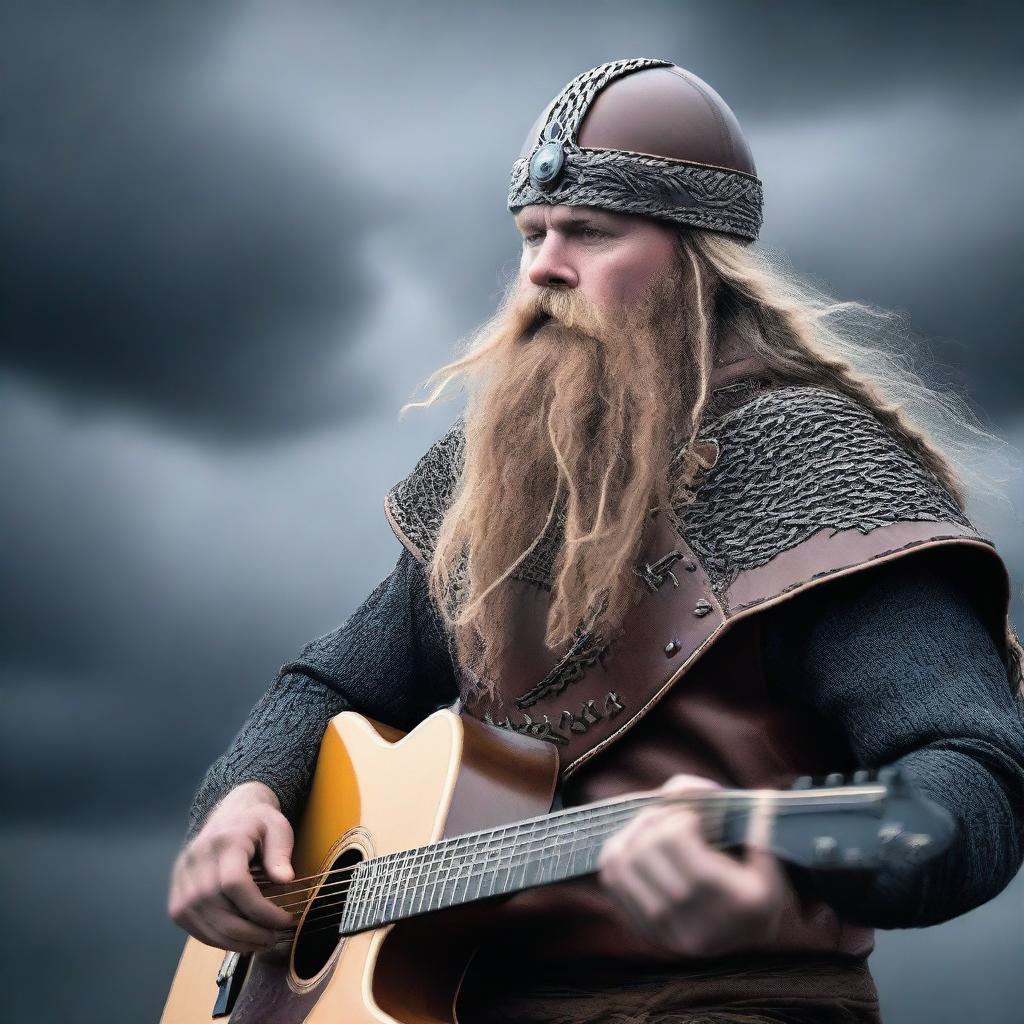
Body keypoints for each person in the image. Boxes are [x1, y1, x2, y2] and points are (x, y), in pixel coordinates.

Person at [168, 59, 1024, 1023]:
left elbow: (970, 777)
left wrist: (783, 871)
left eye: (591, 234)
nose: (542, 270)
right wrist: (243, 796)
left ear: (698, 257)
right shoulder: (498, 476)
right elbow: (330, 685)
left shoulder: (815, 461)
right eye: (533, 235)